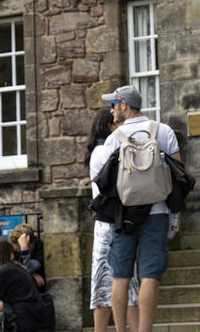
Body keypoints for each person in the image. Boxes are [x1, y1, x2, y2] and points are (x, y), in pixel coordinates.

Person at [100, 85, 182, 332]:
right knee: (150, 275)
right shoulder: (163, 131)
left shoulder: (113, 139)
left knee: (120, 276)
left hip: (123, 215)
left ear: (124, 104)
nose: (112, 110)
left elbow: (106, 186)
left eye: (113, 104)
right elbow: (180, 179)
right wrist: (175, 216)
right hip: (157, 212)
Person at [87, 107, 139, 332]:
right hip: (113, 220)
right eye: (119, 123)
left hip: (107, 222)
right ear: (110, 126)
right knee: (121, 282)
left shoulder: (99, 150)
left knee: (108, 283)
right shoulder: (105, 150)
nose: (123, 127)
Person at [6, 224, 45, 290]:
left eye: (18, 245)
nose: (16, 249)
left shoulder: (39, 247)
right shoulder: (13, 248)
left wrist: (24, 249)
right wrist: (32, 275)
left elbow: (29, 268)